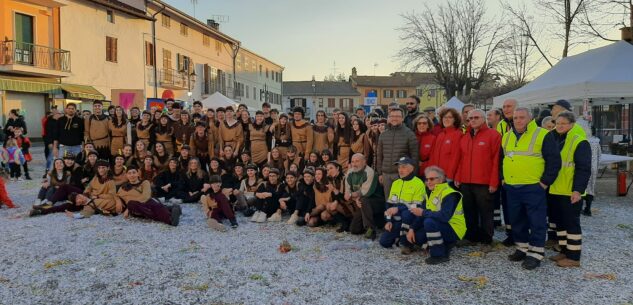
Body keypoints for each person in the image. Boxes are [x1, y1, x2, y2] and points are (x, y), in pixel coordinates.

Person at [501, 107, 561, 270]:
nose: (518, 121)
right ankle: (522, 248)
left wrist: (544, 183)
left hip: (533, 187)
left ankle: (535, 253)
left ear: (530, 118)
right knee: (517, 220)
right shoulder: (506, 137)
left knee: (537, 221)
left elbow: (554, 161)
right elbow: (503, 159)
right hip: (512, 187)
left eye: (521, 117)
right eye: (515, 118)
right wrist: (503, 179)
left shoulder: (542, 134)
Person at [547, 111, 591, 268]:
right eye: (557, 123)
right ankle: (564, 250)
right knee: (560, 224)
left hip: (570, 191)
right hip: (555, 189)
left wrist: (578, 190)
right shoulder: (553, 138)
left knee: (572, 224)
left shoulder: (579, 142)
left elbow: (584, 169)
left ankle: (574, 257)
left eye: (563, 124)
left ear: (572, 124)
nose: (559, 126)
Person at [454, 109, 501, 245]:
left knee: (486, 212)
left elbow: (496, 161)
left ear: (484, 118)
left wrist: (493, 182)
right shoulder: (465, 136)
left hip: (483, 182)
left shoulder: (494, 135)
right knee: (469, 210)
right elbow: (462, 159)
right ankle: (471, 236)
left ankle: (487, 238)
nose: (472, 120)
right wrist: (458, 176)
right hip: (466, 181)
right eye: (469, 119)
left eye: (476, 117)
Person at [402, 166, 466, 265]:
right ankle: (443, 244)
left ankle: (439, 255)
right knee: (416, 238)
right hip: (440, 225)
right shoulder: (430, 193)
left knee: (429, 221)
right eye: (427, 179)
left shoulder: (450, 194)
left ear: (441, 179)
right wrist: (412, 228)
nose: (428, 182)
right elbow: (422, 214)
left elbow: (444, 217)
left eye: (432, 179)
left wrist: (423, 212)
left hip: (454, 229)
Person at [379, 157, 426, 250]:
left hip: (411, 219)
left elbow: (417, 206)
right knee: (384, 242)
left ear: (411, 169)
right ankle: (399, 237)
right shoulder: (396, 183)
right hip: (397, 219)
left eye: (403, 167)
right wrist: (388, 221)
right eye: (399, 167)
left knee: (406, 214)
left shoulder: (418, 183)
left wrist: (399, 208)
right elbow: (389, 205)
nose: (400, 170)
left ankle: (406, 244)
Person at [376, 107, 419, 200]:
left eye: (397, 116)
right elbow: (379, 155)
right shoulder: (383, 135)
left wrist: (412, 175)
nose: (394, 118)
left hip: (402, 174)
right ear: (389, 118)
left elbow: (414, 157)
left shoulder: (409, 134)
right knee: (389, 201)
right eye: (392, 116)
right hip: (386, 175)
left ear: (402, 118)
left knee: (402, 201)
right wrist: (380, 173)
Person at [117, 165, 181, 226]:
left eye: (134, 172)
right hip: (136, 208)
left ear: (138, 174)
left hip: (148, 202)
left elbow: (146, 196)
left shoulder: (145, 183)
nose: (132, 175)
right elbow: (117, 195)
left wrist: (127, 208)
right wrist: (118, 200)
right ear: (127, 175)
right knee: (131, 203)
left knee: (156, 206)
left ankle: (170, 220)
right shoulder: (123, 187)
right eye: (129, 173)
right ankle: (171, 209)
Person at [346, 153, 383, 240]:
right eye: (352, 161)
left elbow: (366, 192)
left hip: (377, 201)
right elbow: (347, 192)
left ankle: (370, 229)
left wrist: (353, 195)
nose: (354, 164)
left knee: (364, 200)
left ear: (364, 162)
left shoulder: (370, 172)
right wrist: (355, 199)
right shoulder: (350, 172)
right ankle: (377, 221)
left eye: (357, 161)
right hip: (361, 202)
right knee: (354, 230)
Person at [428, 107, 462, 182]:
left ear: (455, 120)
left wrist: (450, 176)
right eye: (444, 117)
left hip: (447, 177)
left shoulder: (458, 134)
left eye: (450, 117)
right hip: (437, 175)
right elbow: (433, 155)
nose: (446, 119)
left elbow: (455, 157)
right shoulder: (440, 135)